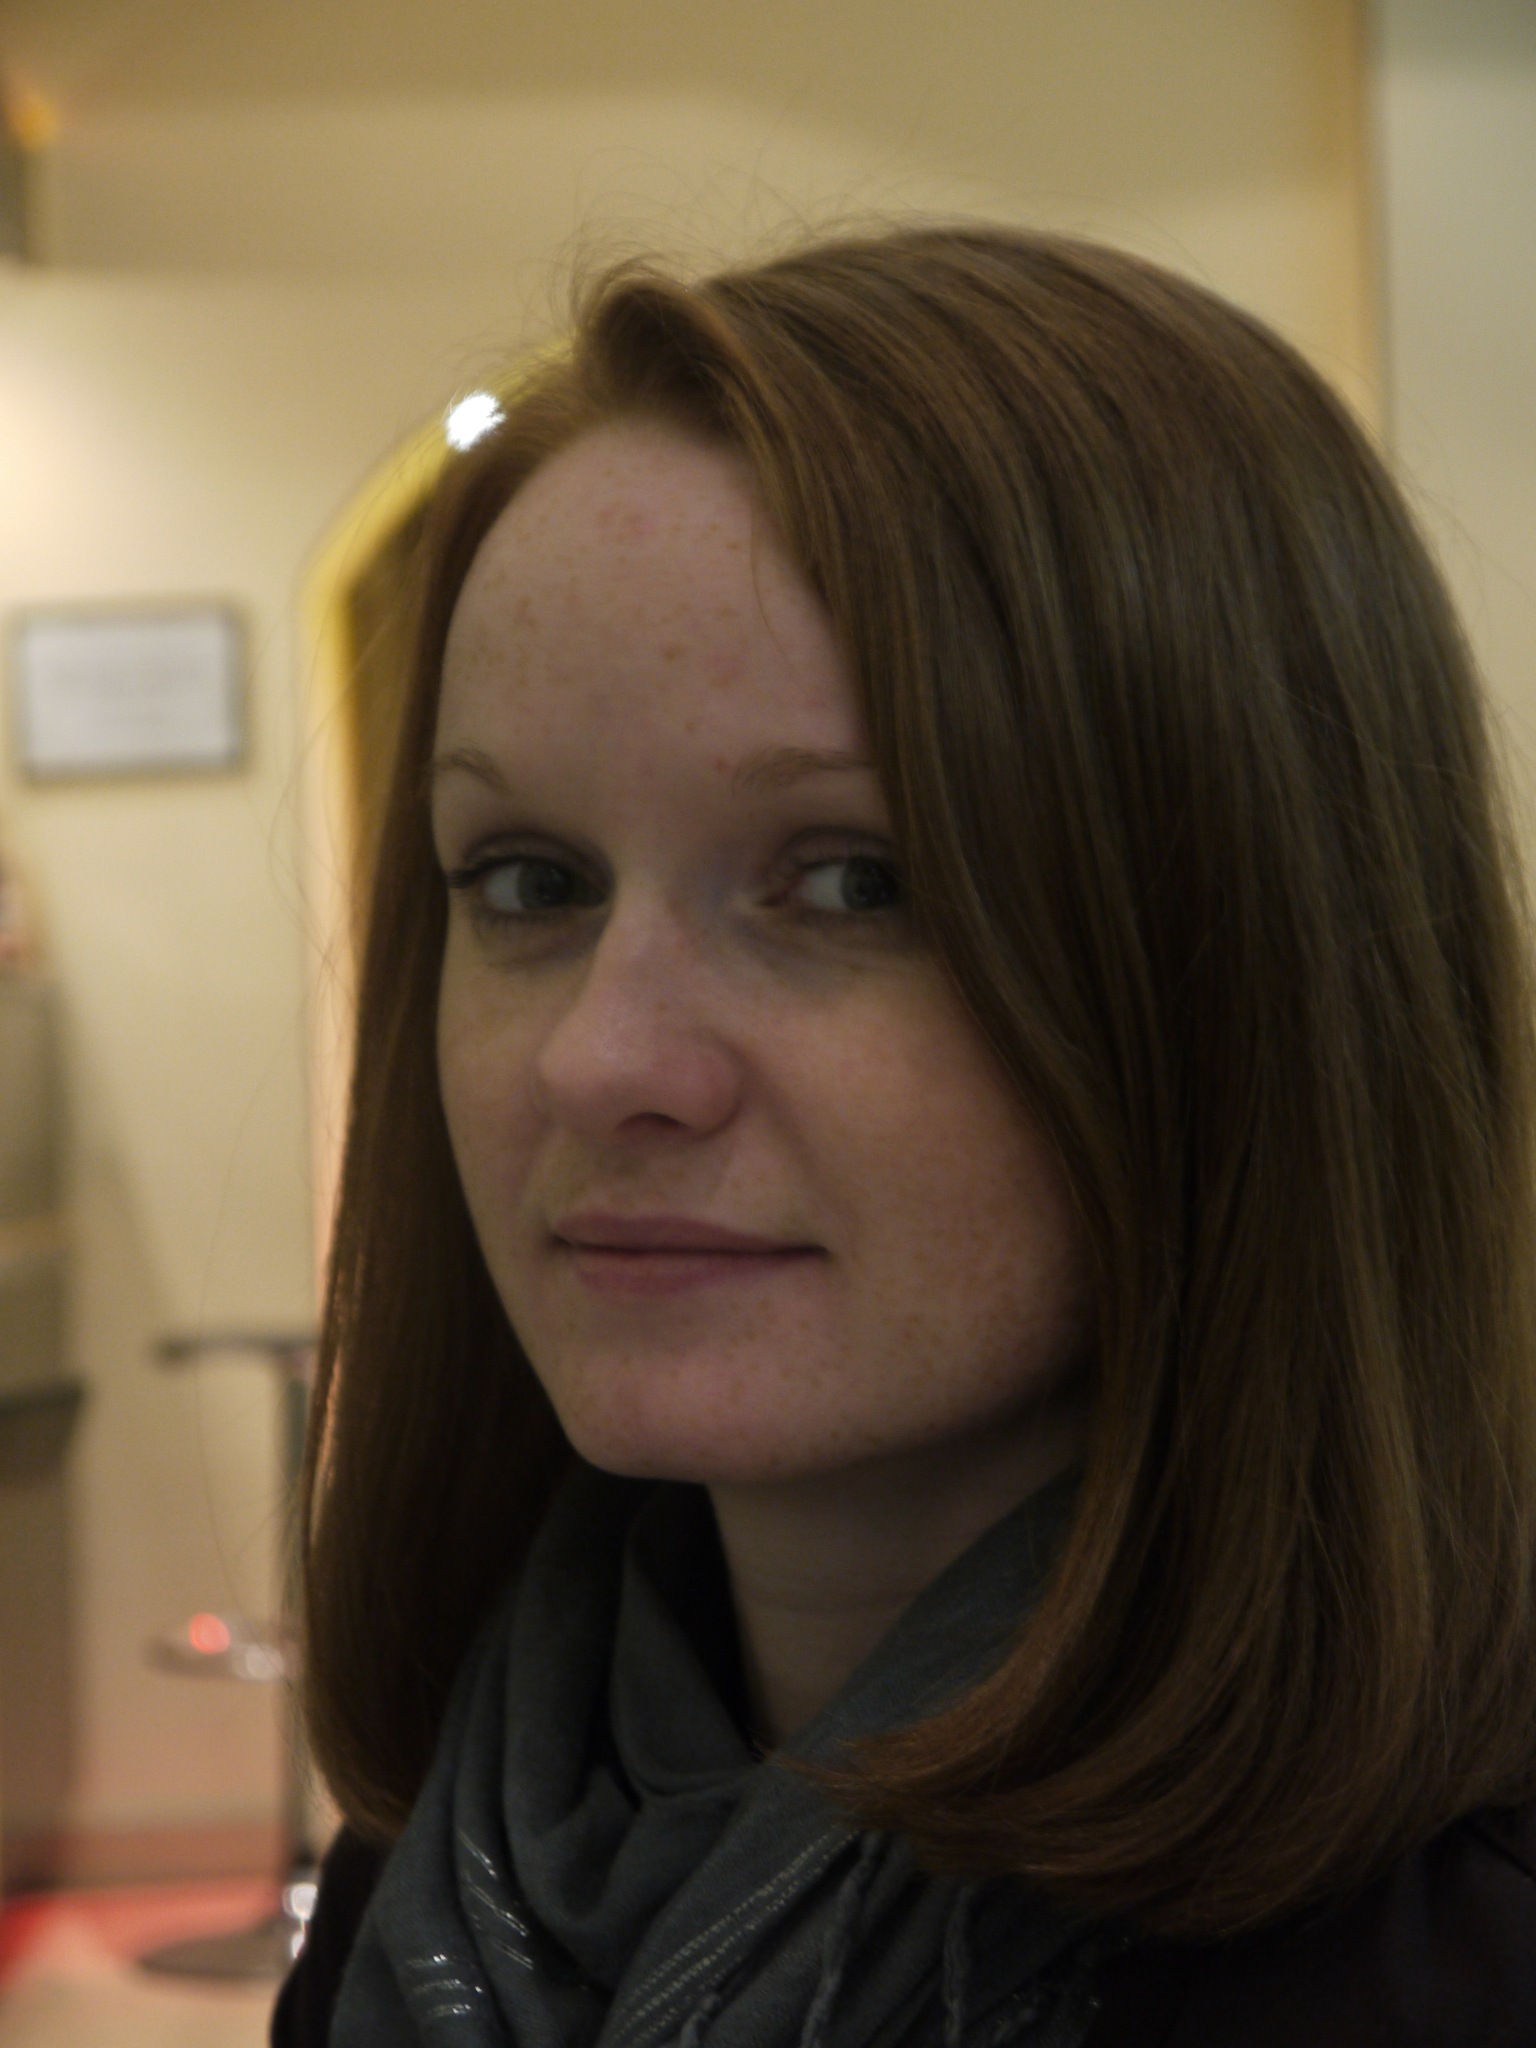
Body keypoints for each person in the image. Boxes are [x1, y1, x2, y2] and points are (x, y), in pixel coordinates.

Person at [272, 226, 1536, 2048]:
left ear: (1251, 961)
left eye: (854, 880)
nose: (602, 1059)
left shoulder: (1453, 1955)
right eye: (531, 881)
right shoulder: (442, 1878)